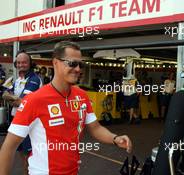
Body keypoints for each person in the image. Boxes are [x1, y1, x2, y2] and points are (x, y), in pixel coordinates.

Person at [0, 41, 132, 175]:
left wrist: (115, 139)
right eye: (72, 63)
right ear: (55, 63)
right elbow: (9, 147)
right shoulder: (34, 100)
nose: (78, 69)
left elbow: (95, 128)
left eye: (80, 64)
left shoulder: (82, 96)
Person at [2, 50, 42, 175]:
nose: (21, 65)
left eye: (24, 62)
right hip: (18, 122)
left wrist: (12, 98)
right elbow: (4, 94)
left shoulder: (34, 79)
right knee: (21, 154)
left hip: (30, 124)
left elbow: (22, 103)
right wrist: (14, 99)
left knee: (29, 157)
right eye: (18, 62)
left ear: (30, 63)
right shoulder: (18, 79)